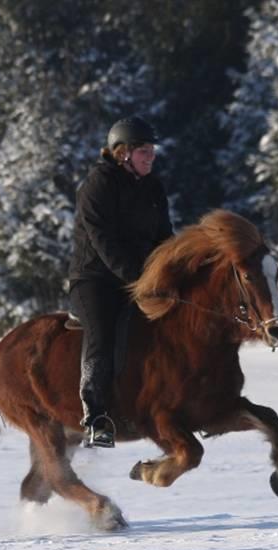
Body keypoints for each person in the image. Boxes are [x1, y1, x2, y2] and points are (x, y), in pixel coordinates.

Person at [68, 116, 173, 448]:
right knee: (102, 332)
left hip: (140, 279)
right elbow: (105, 244)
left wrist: (172, 270)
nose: (151, 157)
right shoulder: (97, 186)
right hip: (95, 280)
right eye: (145, 151)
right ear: (123, 153)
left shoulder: (153, 187)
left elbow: (164, 238)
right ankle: (96, 415)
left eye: (152, 151)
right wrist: (139, 278)